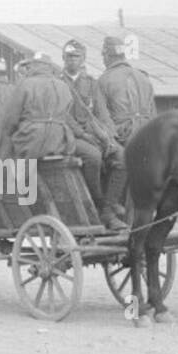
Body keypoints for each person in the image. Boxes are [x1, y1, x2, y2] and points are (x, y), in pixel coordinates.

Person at [60, 40, 127, 230]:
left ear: (83, 59)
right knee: (94, 157)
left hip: (91, 134)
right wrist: (82, 134)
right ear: (63, 58)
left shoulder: (91, 83)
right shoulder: (58, 83)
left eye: (76, 56)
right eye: (69, 56)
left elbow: (101, 113)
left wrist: (110, 138)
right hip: (69, 136)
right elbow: (63, 116)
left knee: (122, 156)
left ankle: (108, 206)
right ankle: (97, 204)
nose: (72, 60)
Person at [95, 35, 156, 220]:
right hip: (146, 137)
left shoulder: (104, 80)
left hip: (123, 136)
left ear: (107, 55)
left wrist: (110, 142)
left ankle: (106, 210)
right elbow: (153, 115)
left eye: (103, 55)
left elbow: (102, 118)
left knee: (103, 165)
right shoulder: (144, 78)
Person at [5, 50, 75, 160]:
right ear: (49, 67)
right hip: (58, 141)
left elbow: (12, 119)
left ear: (34, 66)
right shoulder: (64, 86)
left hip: (30, 138)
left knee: (3, 157)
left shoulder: (25, 84)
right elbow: (67, 114)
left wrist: (8, 133)